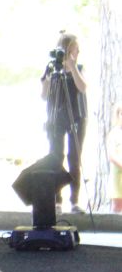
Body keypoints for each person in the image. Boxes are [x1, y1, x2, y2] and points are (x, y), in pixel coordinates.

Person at [40, 32, 88, 211]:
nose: (78, 52)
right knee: (56, 157)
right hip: (56, 119)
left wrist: (72, 67)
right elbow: (44, 96)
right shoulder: (52, 68)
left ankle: (74, 201)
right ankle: (57, 200)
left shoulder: (79, 67)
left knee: (74, 158)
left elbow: (82, 87)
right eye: (75, 48)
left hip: (77, 117)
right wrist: (47, 79)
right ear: (67, 49)